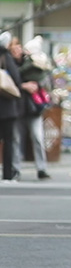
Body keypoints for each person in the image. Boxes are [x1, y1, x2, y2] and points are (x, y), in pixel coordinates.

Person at [10, 35, 50, 180]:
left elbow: (43, 77)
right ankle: (16, 169)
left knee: (37, 137)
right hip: (17, 106)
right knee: (16, 139)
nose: (17, 50)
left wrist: (36, 85)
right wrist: (23, 86)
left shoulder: (32, 61)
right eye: (13, 47)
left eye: (18, 46)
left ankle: (42, 168)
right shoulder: (8, 63)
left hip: (33, 107)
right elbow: (8, 83)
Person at [0, 32, 23, 182]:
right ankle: (7, 173)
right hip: (7, 110)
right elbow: (16, 80)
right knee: (8, 142)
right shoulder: (6, 58)